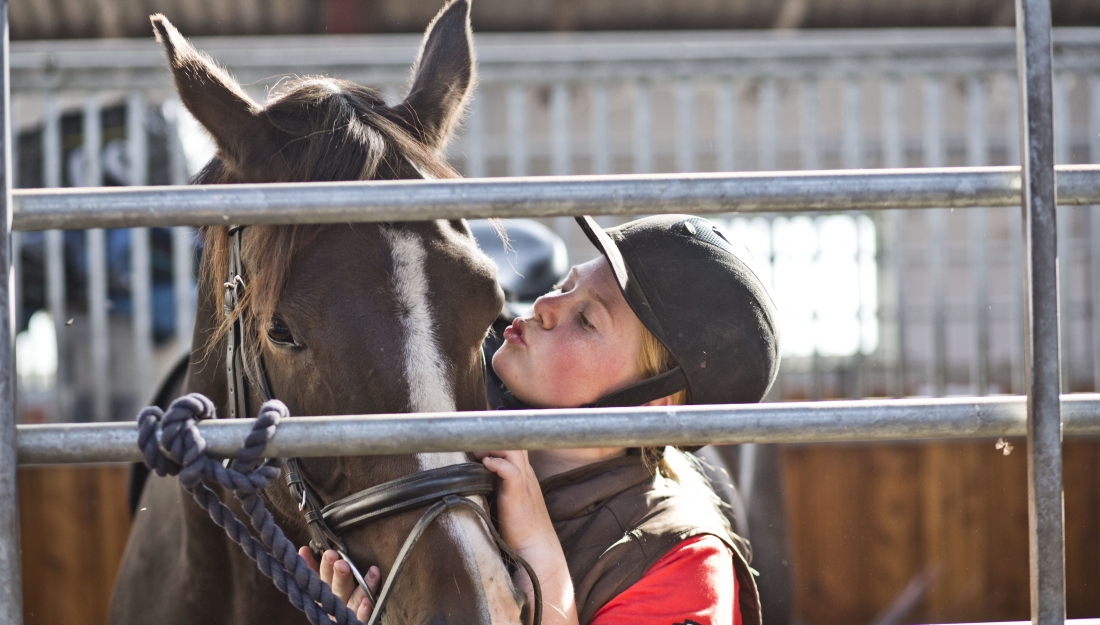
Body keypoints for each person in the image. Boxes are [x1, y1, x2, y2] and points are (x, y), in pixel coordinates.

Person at [302, 215, 781, 625]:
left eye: (587, 320)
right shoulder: (441, 467)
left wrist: (541, 558)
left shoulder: (685, 567)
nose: (545, 307)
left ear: (648, 406)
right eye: (564, 287)